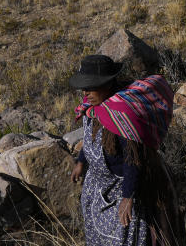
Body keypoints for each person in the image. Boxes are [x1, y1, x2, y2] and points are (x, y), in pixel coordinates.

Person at [69, 55, 179, 246]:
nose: (85, 93)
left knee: (124, 237)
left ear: (107, 84)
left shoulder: (121, 115)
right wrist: (80, 162)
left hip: (123, 189)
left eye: (91, 86)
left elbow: (133, 159)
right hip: (98, 188)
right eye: (84, 87)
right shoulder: (92, 108)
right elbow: (89, 139)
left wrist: (128, 197)